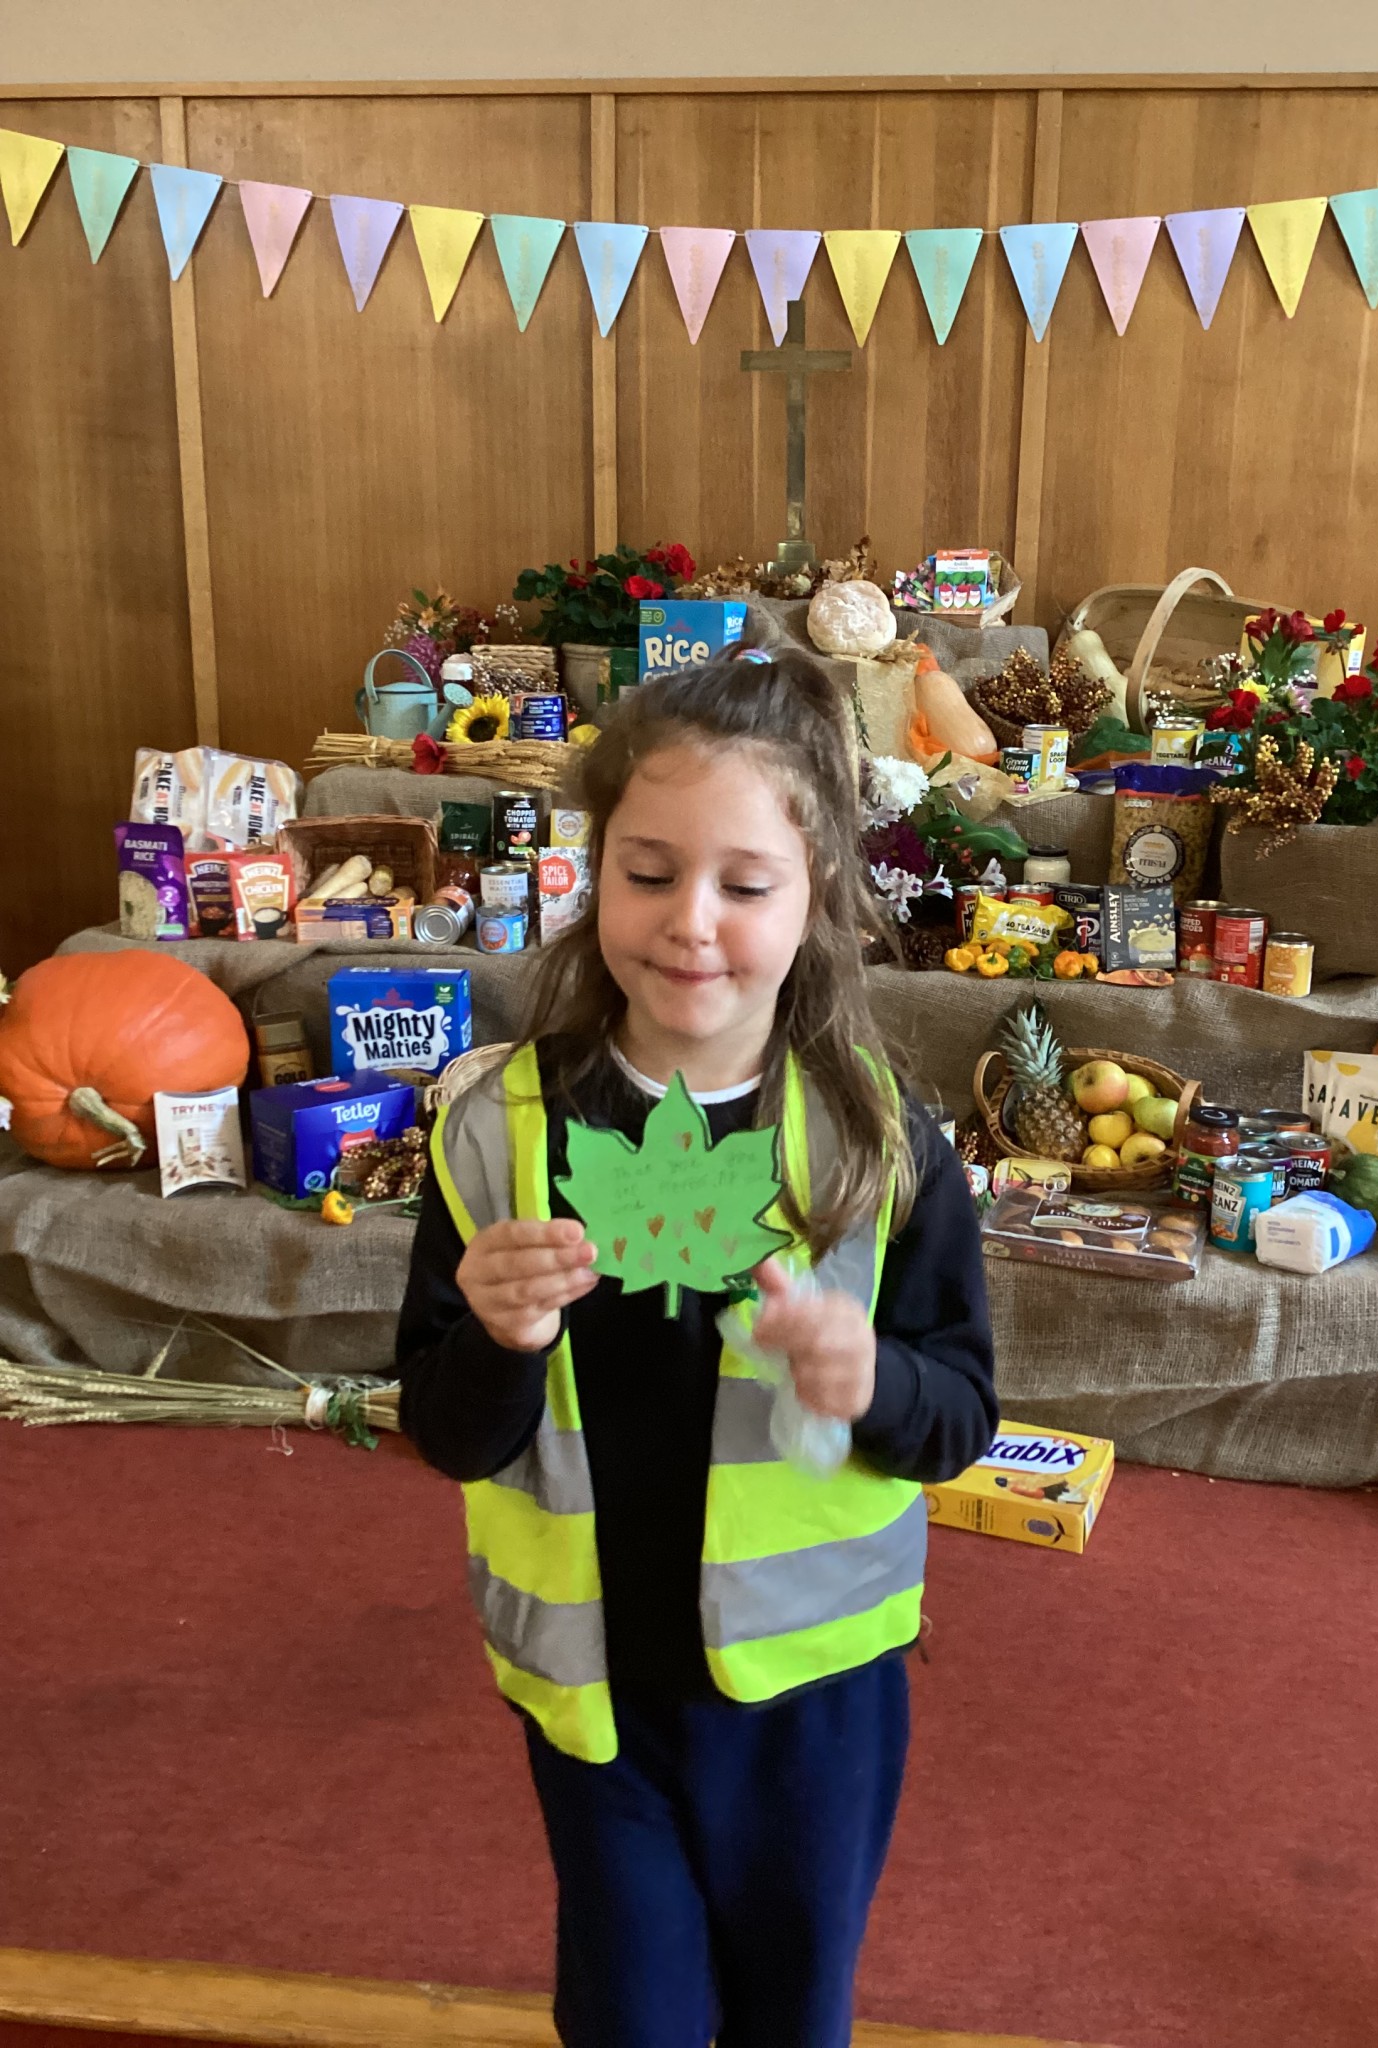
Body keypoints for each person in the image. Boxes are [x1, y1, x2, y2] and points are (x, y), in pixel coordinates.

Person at [397, 648, 997, 2048]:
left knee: (796, 2016)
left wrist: (871, 1380)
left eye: (746, 883)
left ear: (819, 898)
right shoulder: (496, 1131)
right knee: (636, 2020)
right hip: (594, 1692)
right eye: (649, 872)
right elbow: (446, 1429)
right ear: (593, 870)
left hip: (814, 1701)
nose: (691, 924)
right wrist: (494, 1334)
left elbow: (961, 1413)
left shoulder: (877, 1141)